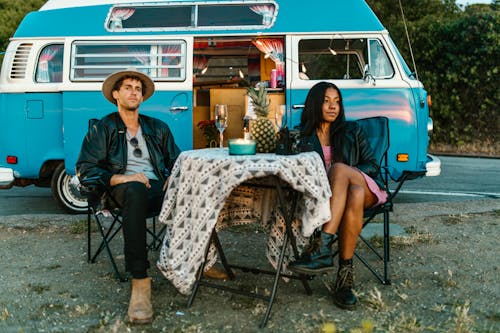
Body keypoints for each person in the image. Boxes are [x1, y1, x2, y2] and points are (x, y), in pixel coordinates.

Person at [76, 68, 181, 324]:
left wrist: (173, 177)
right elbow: (86, 170)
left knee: (192, 189)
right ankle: (140, 281)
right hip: (119, 191)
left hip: (155, 189)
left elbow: (178, 159)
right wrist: (122, 178)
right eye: (128, 88)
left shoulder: (158, 128)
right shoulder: (103, 128)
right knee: (134, 190)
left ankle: (199, 260)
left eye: (138, 89)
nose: (134, 92)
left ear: (142, 97)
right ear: (116, 94)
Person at [288, 82, 387, 310]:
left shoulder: (352, 130)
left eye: (337, 101)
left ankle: (322, 246)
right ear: (315, 104)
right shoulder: (302, 136)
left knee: (341, 172)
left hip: (369, 189)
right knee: (354, 193)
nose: (333, 106)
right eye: (326, 101)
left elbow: (372, 165)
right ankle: (344, 277)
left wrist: (347, 174)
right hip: (338, 198)